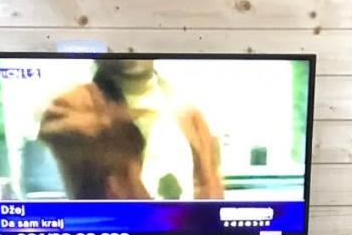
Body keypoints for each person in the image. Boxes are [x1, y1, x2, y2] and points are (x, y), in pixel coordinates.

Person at [37, 58, 223, 201]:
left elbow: (210, 187)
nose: (131, 46)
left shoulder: (187, 110)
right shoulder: (74, 105)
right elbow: (66, 134)